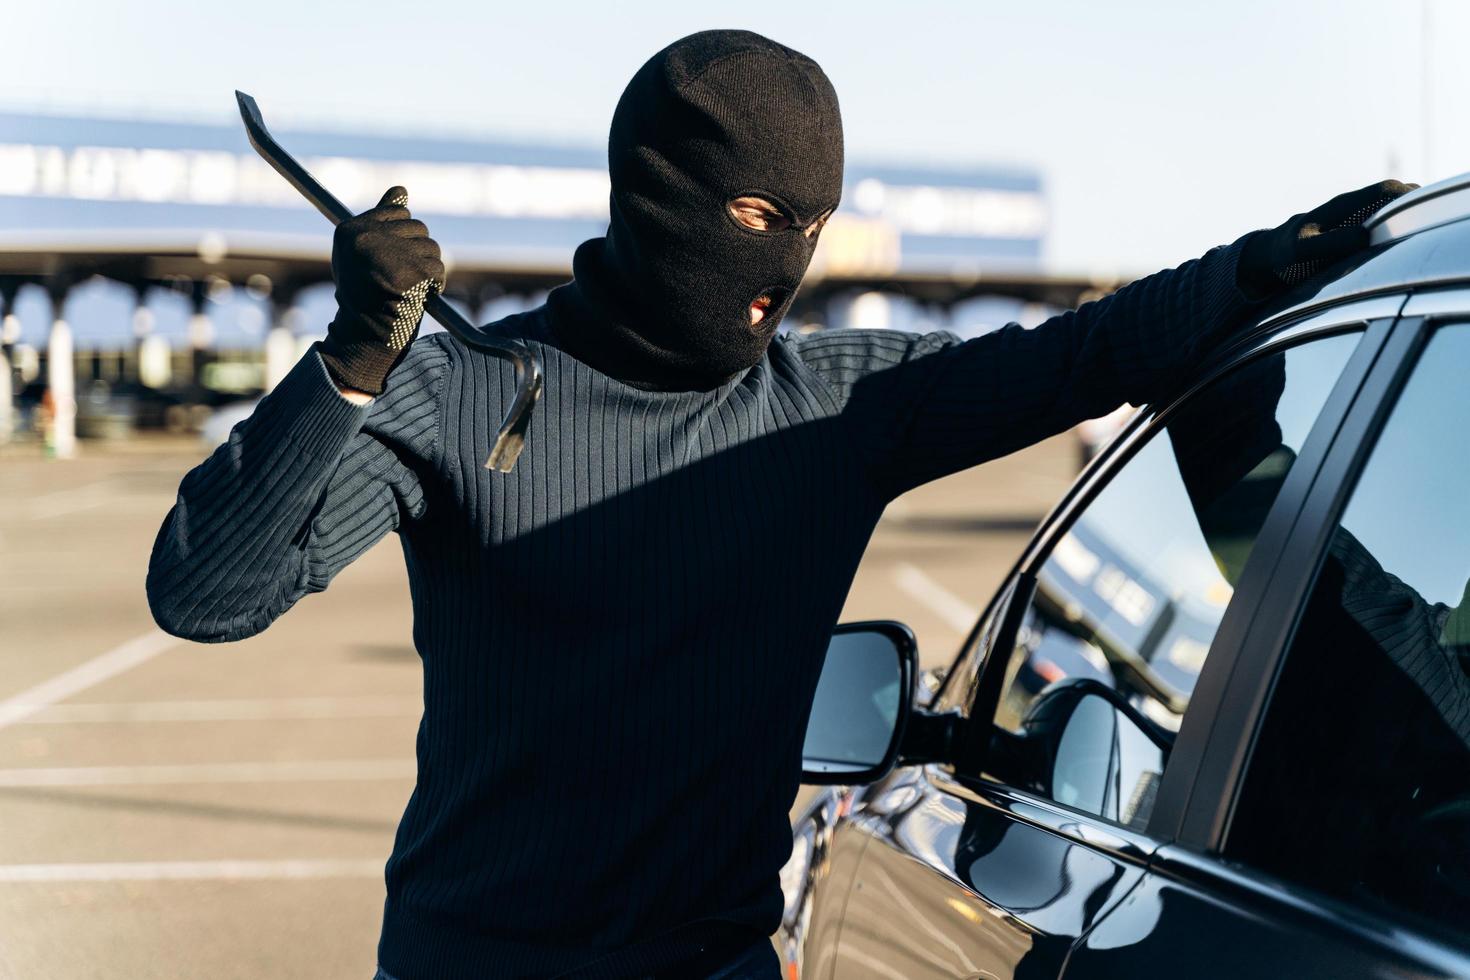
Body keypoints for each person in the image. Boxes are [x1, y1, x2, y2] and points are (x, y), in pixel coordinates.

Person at [145, 28, 1413, 980]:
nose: (781, 265)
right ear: (654, 190)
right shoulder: (460, 390)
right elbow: (207, 592)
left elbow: (1085, 355)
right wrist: (355, 359)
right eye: (756, 214)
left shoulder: (838, 410)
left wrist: (1263, 264)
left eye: (812, 225)